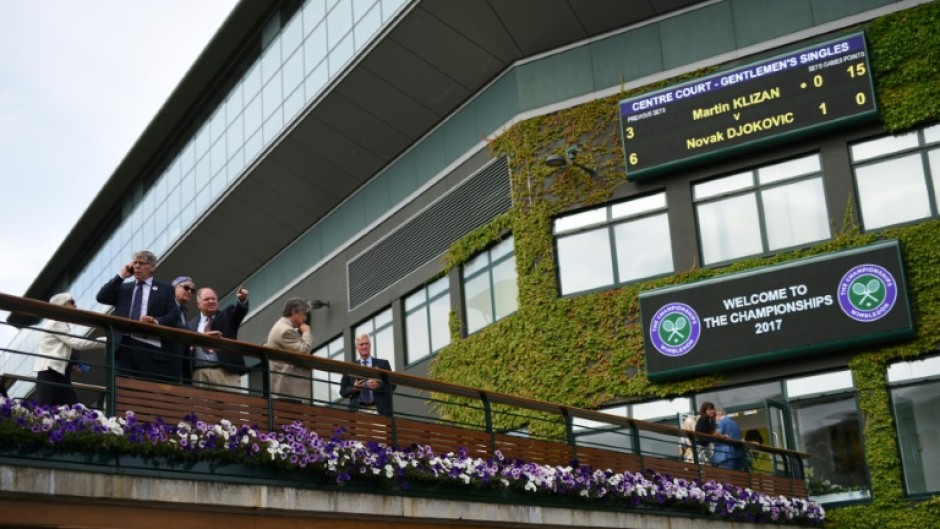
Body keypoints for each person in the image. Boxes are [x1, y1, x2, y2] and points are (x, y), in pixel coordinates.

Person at [95, 251, 180, 381]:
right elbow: (101, 297)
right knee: (123, 390)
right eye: (134, 263)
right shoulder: (124, 288)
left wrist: (155, 321)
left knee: (147, 388)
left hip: (149, 346)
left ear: (152, 267)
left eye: (141, 263)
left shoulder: (165, 289)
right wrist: (121, 276)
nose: (136, 266)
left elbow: (174, 315)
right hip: (123, 346)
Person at [32, 293, 105, 407]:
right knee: (49, 409)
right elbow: (76, 343)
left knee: (69, 409)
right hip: (51, 372)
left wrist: (72, 364)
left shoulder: (59, 324)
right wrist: (104, 341)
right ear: (61, 305)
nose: (75, 306)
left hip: (58, 372)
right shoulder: (57, 323)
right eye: (71, 302)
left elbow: (64, 348)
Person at [186, 287, 250, 391]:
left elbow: (240, 311)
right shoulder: (190, 325)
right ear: (198, 304)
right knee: (202, 407)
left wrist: (242, 300)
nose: (211, 301)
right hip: (199, 374)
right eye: (207, 299)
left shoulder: (228, 315)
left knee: (230, 406)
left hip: (225, 373)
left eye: (214, 299)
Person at [265, 298, 313, 401]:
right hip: (288, 389)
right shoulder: (285, 331)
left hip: (286, 388)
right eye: (303, 314)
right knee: (295, 417)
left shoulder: (282, 327)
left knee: (294, 417)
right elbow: (305, 351)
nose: (305, 318)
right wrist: (306, 332)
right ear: (294, 312)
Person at [339, 333, 395, 416]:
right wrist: (354, 389)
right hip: (358, 411)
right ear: (356, 347)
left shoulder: (383, 364)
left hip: (378, 409)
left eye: (366, 344)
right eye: (361, 344)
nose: (364, 347)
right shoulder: (350, 368)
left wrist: (378, 385)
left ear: (370, 345)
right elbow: (343, 391)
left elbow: (392, 385)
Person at [171, 276, 196, 382]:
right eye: (186, 287)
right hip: (168, 360)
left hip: (180, 364)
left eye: (192, 290)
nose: (190, 291)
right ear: (174, 288)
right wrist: (195, 334)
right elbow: (172, 324)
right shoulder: (167, 306)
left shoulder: (183, 311)